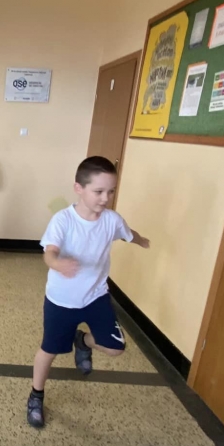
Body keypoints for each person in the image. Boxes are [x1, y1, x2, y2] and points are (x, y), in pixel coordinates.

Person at [26, 156, 150, 429]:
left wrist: (141, 241)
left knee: (115, 348)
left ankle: (82, 341)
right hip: (61, 300)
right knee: (49, 350)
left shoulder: (112, 220)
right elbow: (49, 252)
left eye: (111, 191)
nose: (106, 198)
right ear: (78, 188)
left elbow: (127, 233)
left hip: (96, 296)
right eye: (99, 191)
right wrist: (57, 263)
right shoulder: (63, 220)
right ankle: (36, 395)